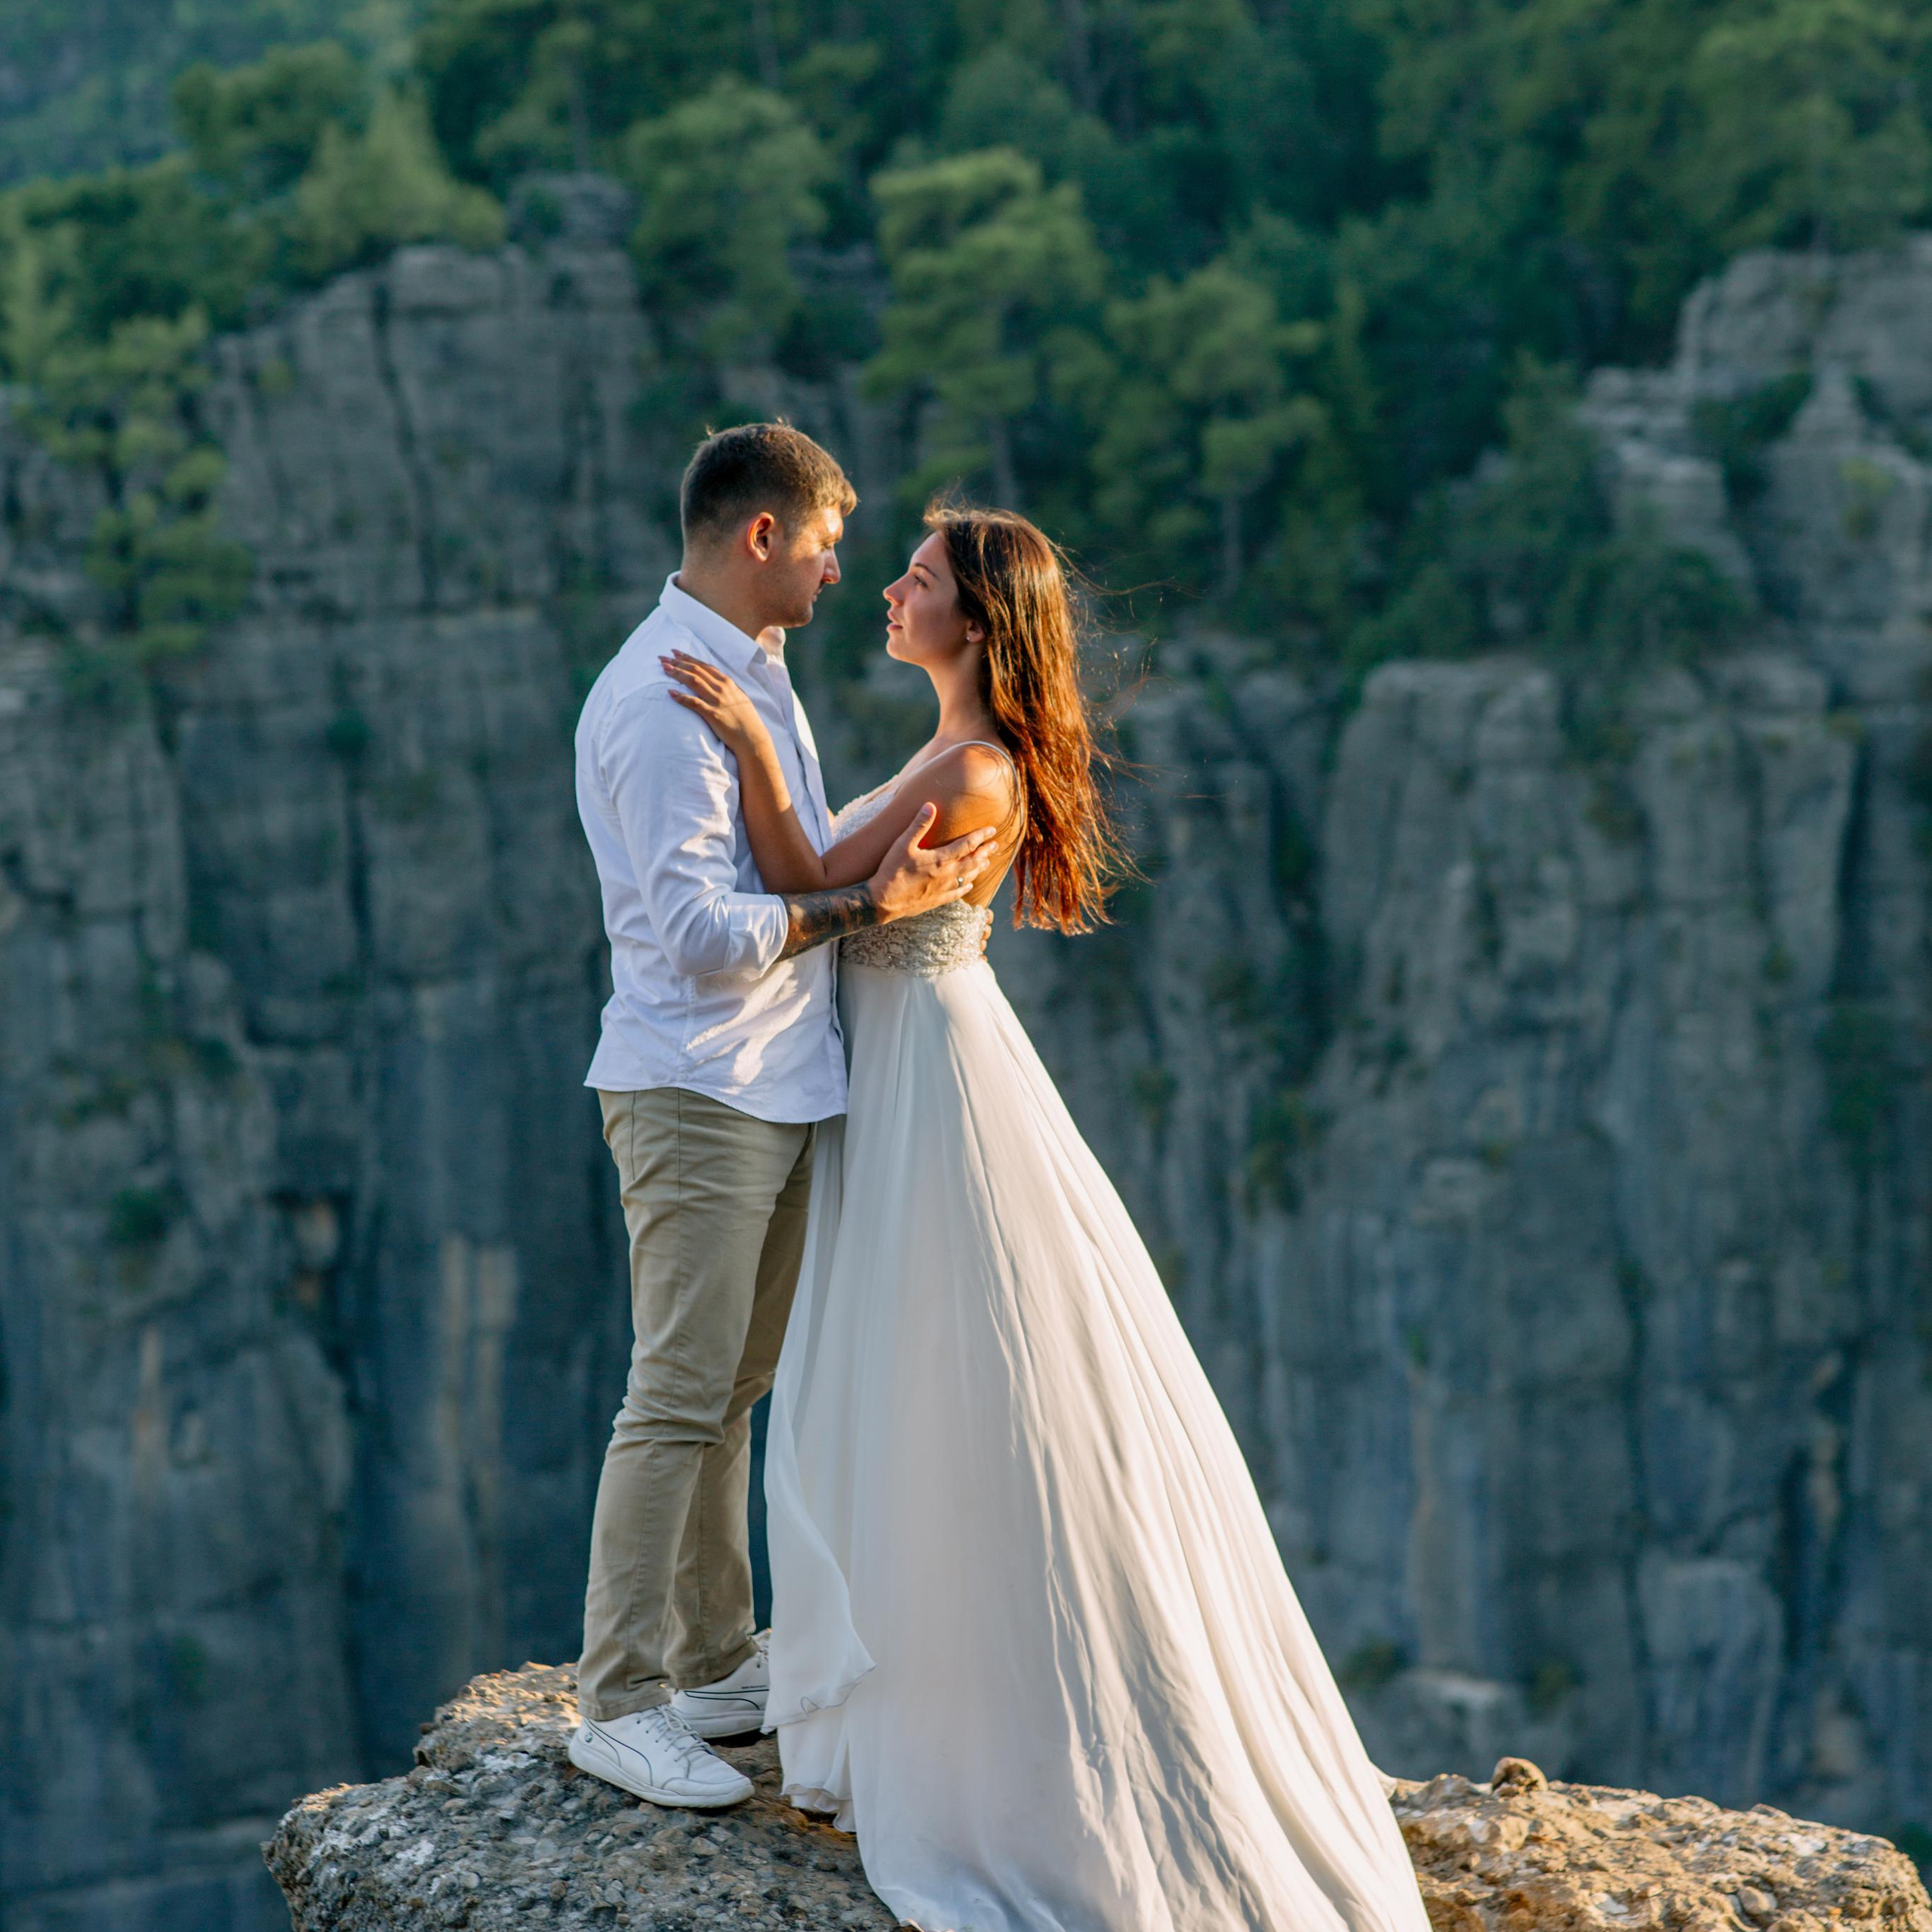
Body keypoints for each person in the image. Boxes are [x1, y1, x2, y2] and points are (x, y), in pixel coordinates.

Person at [663, 504, 1433, 1932]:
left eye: (919, 579)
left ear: (977, 621)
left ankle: (988, 1729)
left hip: (928, 1084)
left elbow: (796, 885)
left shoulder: (967, 769)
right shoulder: (960, 753)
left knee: (950, 1378)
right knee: (927, 1374)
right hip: (914, 1058)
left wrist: (757, 749)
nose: (889, 590)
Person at [568, 424, 998, 1809]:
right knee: (675, 1395)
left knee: (730, 1393)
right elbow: (697, 930)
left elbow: (780, 855)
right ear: (762, 535)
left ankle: (711, 1663)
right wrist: (875, 909)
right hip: (698, 1088)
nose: (838, 570)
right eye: (824, 543)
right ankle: (619, 1700)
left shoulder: (756, 679)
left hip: (772, 1080)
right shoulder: (659, 699)